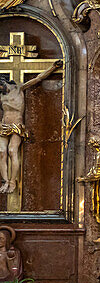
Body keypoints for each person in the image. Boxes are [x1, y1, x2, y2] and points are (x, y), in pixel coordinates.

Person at [0, 60, 61, 195]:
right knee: (1, 152)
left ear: (3, 83)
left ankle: (12, 181)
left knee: (12, 150)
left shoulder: (19, 89)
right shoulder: (1, 96)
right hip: (3, 125)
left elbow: (38, 78)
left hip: (16, 125)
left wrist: (52, 68)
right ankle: (4, 181)